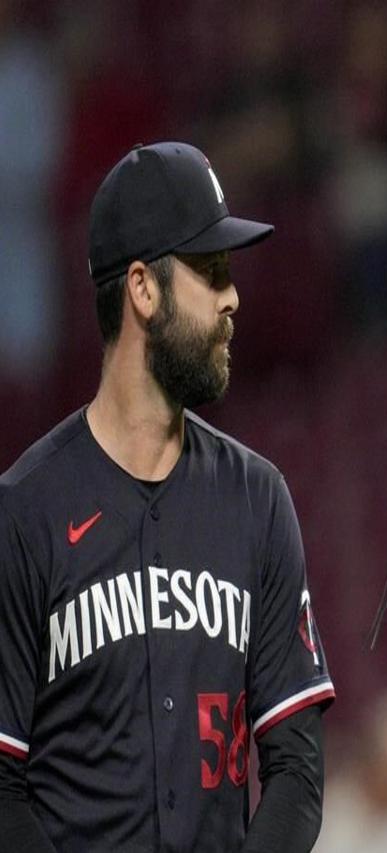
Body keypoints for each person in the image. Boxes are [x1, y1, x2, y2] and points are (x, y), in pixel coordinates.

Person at [0, 141, 335, 852]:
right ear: (143, 289)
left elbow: (297, 771)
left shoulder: (257, 499)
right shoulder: (24, 513)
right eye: (210, 270)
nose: (232, 294)